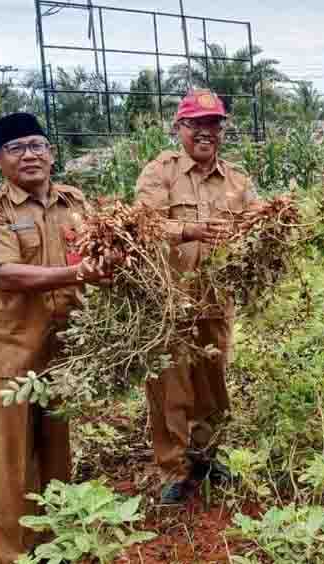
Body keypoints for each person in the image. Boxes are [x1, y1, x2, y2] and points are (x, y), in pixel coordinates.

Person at [0, 112, 112, 563]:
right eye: (16, 148)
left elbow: (101, 246)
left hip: (61, 346)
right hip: (6, 350)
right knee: (8, 459)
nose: (29, 155)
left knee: (56, 447)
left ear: (51, 152)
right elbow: (3, 274)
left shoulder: (74, 201)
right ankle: (12, 554)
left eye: (37, 145)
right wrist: (76, 272)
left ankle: (57, 541)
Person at [135, 89, 258, 504]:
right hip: (169, 301)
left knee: (212, 383)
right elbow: (143, 225)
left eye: (213, 125)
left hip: (215, 301)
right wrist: (187, 231)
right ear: (180, 128)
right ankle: (173, 469)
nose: (205, 132)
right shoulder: (161, 173)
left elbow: (256, 229)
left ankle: (206, 457)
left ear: (221, 130)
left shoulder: (238, 180)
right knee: (171, 387)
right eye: (196, 125)